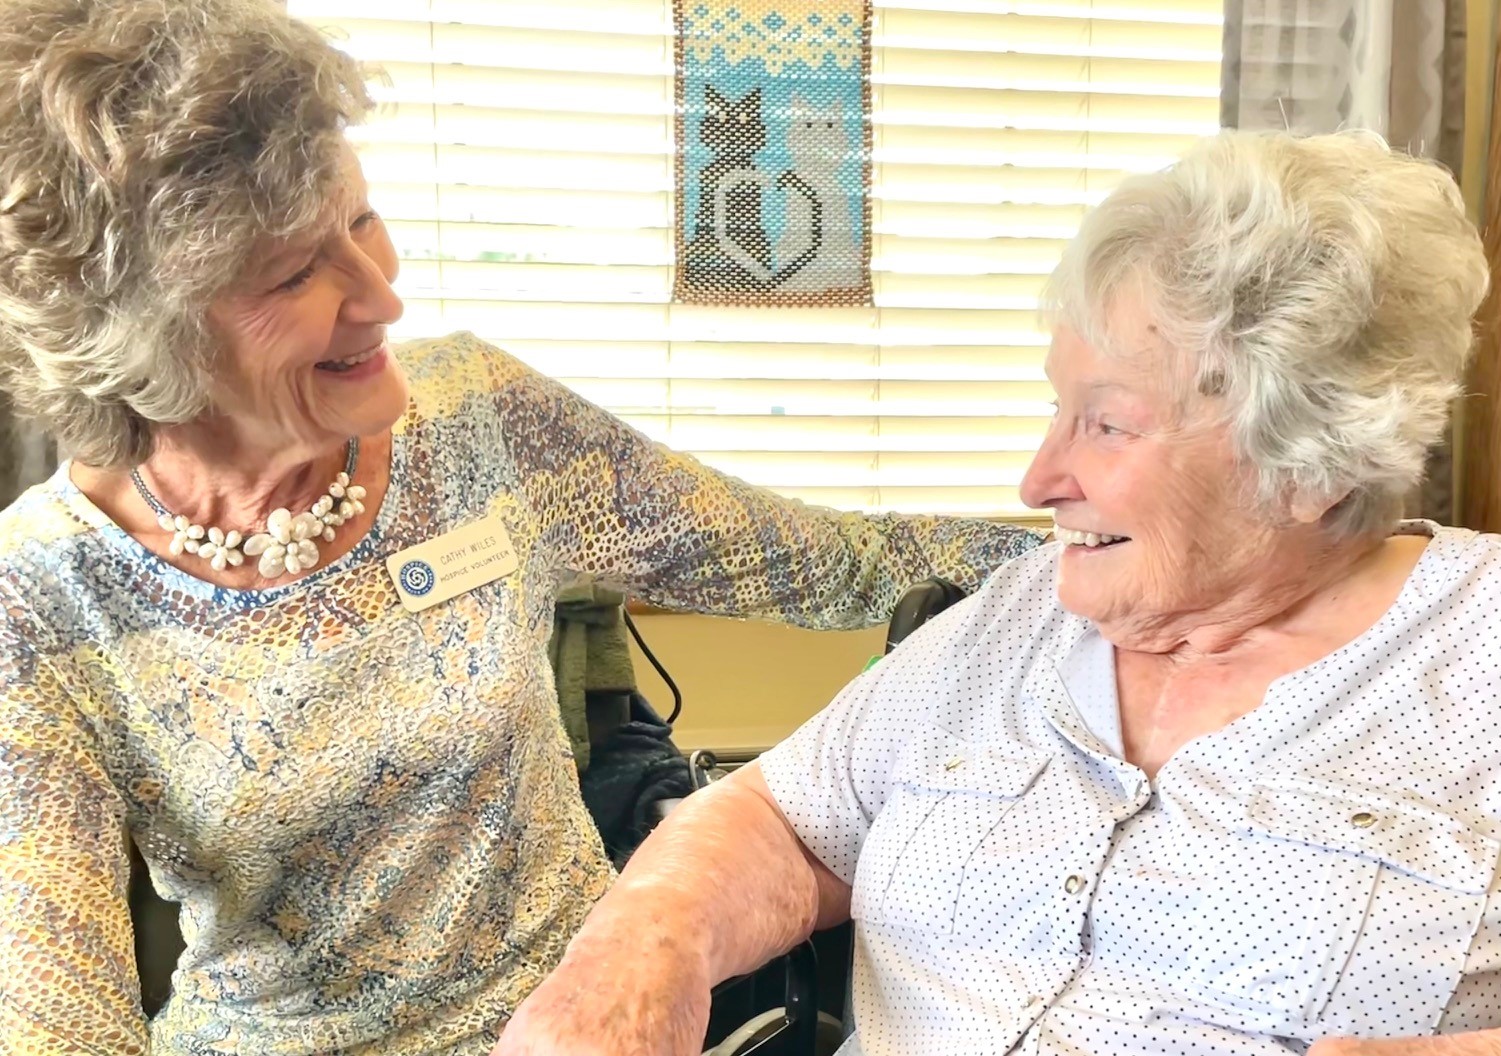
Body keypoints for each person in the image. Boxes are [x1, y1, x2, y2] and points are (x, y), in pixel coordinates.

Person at [0, 1, 1044, 1053]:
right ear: (143, 341)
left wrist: (1104, 547)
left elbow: (826, 564)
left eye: (358, 222)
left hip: (590, 1019)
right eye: (293, 274)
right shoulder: (37, 603)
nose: (379, 296)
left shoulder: (478, 423)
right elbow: (52, 1012)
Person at [495, 130, 1501, 1056]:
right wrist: (640, 946)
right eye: (1056, 408)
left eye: (1105, 425)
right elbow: (785, 817)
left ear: (1305, 455)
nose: (1038, 481)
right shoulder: (1018, 617)